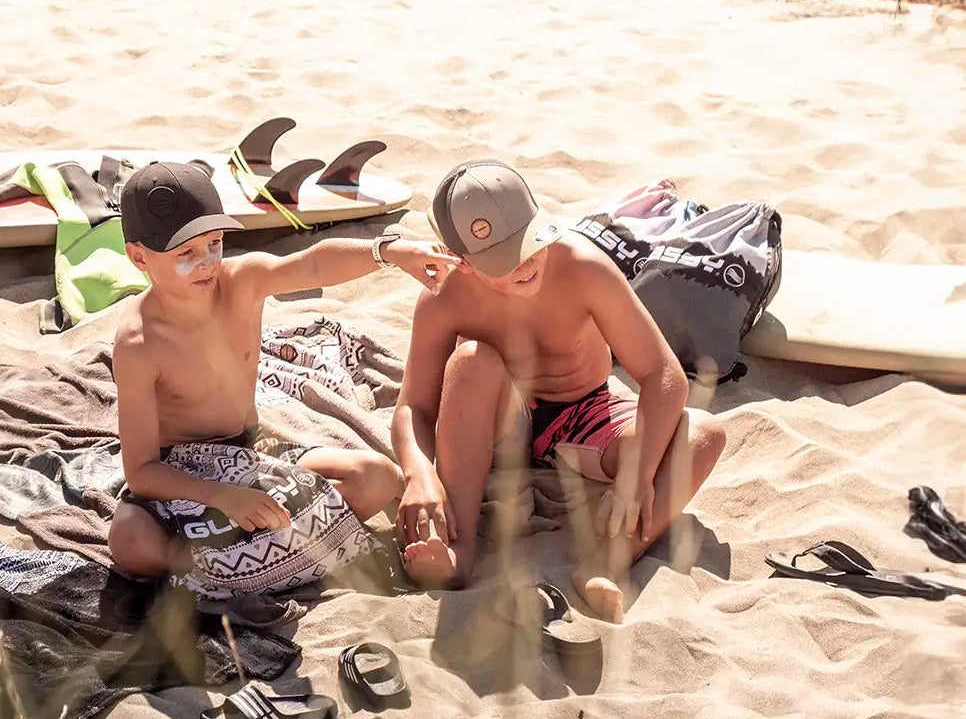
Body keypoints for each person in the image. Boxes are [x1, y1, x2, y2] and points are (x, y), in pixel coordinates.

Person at [393, 160, 726, 619]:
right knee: (471, 361)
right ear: (463, 262)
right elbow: (413, 406)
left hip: (580, 414)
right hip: (493, 426)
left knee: (703, 434)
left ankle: (605, 563)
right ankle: (460, 546)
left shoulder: (582, 265)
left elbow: (663, 374)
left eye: (530, 243)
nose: (525, 264)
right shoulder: (443, 296)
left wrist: (637, 474)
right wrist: (417, 472)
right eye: (504, 260)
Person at [107, 159, 454, 578]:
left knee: (378, 477)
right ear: (138, 257)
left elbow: (313, 264)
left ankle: (236, 561)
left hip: (248, 452)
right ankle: (267, 554)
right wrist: (223, 498)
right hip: (180, 472)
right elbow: (142, 471)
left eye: (214, 243)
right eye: (186, 253)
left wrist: (387, 252)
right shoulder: (139, 342)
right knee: (130, 542)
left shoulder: (241, 282)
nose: (207, 262)